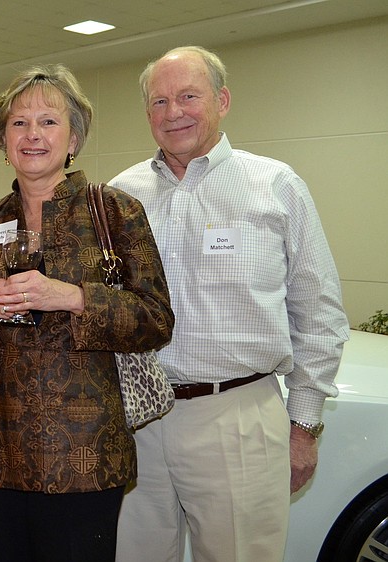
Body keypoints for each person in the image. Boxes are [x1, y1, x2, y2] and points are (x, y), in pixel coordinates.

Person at [110, 45, 350, 562]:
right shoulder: (120, 197)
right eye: (159, 101)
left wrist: (304, 425)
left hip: (237, 417)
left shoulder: (275, 185)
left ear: (222, 100)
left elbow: (320, 312)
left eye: (189, 96)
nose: (173, 112)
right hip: (138, 424)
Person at [0, 64, 174, 562]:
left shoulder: (116, 211)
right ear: (3, 139)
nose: (32, 135)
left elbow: (155, 318)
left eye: (48, 122)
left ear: (74, 137)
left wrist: (74, 296)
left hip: (84, 457)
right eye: (18, 123)